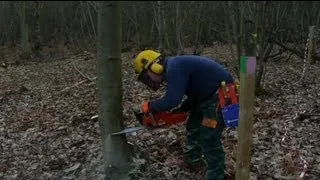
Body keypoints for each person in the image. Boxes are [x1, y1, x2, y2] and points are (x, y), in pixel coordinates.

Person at [133, 50, 235, 180]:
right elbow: (193, 92)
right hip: (206, 97)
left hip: (221, 96)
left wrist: (150, 106)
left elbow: (172, 100)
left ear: (154, 67)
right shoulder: (174, 67)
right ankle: (193, 161)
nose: (148, 81)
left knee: (208, 136)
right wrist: (181, 110)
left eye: (146, 77)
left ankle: (216, 175)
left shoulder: (174, 67)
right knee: (193, 125)